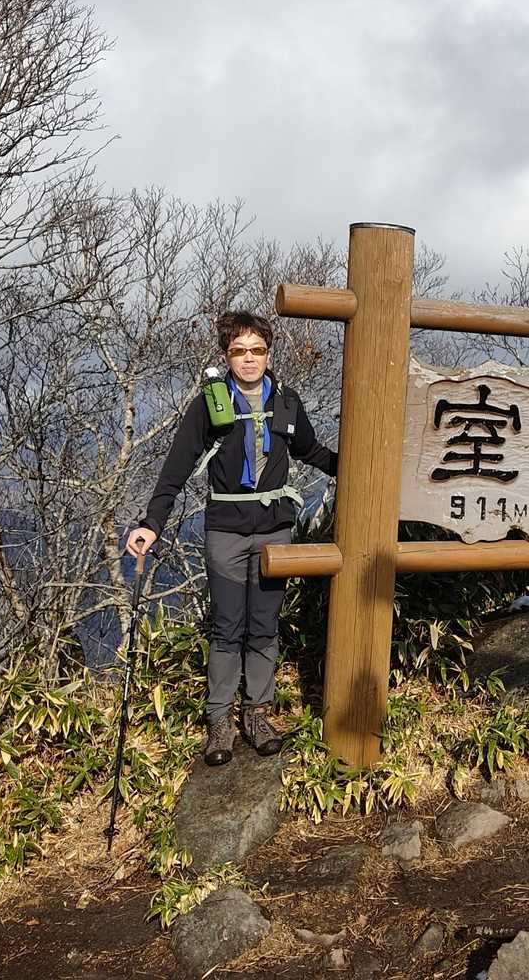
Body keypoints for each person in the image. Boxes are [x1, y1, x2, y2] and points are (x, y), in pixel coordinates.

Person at [126, 311, 337, 765]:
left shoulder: (286, 401)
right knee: (227, 628)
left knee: (264, 624)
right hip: (226, 528)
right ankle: (220, 721)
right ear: (227, 355)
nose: (249, 358)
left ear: (269, 353)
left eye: (257, 349)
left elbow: (310, 450)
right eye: (239, 350)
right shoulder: (210, 404)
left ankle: (257, 714)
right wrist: (151, 523)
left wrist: (356, 466)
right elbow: (176, 467)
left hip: (275, 529)